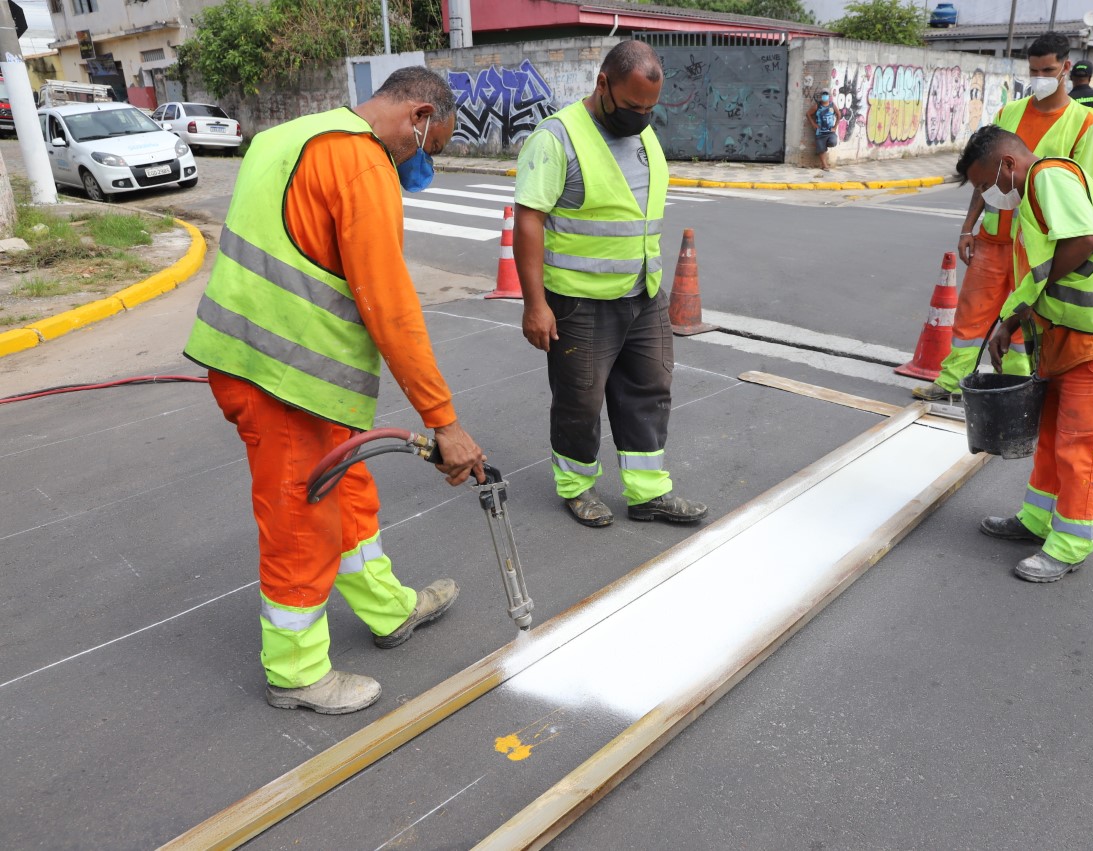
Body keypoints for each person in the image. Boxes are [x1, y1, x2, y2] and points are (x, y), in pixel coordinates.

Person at [183, 68, 487, 714]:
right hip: (282, 376)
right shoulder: (361, 164)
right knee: (302, 520)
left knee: (348, 490)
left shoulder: (285, 137)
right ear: (418, 117)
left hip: (278, 366)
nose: (420, 165)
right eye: (429, 148)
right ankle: (296, 673)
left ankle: (388, 609)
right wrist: (444, 421)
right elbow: (390, 305)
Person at [512, 41, 708, 528]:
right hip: (579, 303)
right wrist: (535, 304)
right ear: (603, 85)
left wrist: (649, 286)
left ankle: (647, 494)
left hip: (642, 294)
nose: (642, 117)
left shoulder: (641, 132)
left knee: (649, 390)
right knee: (580, 402)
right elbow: (528, 220)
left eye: (650, 109)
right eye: (634, 106)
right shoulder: (556, 138)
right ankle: (576, 487)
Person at [956, 125, 1093, 582]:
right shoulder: (1031, 198)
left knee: (1080, 446)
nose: (987, 196)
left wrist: (1018, 307)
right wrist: (1013, 319)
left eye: (985, 185)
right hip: (1066, 338)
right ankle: (1038, 521)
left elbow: (1083, 241)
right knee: (1050, 439)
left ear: (1007, 165)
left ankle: (1071, 544)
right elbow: (1043, 274)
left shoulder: (1049, 176)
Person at [914, 32, 1093, 402]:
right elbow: (984, 176)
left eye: (1047, 69)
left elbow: (1087, 193)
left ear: (1066, 67)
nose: (1039, 78)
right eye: (1033, 70)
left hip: (1035, 245)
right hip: (993, 238)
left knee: (1021, 321)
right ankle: (952, 382)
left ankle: (1014, 390)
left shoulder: (1084, 124)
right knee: (971, 315)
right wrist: (968, 227)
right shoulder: (1010, 112)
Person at [807, 90, 839, 171]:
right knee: (821, 149)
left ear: (829, 96)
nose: (824, 97)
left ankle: (825, 146)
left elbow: (839, 114)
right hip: (820, 132)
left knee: (833, 142)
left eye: (826, 95)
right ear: (821, 97)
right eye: (823, 95)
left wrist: (835, 127)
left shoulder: (832, 105)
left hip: (830, 132)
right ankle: (825, 166)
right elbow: (808, 114)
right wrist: (814, 125)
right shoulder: (817, 106)